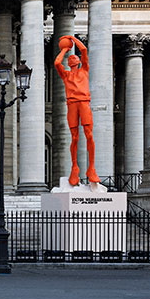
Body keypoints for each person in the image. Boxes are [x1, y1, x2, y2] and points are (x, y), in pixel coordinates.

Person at [54, 34, 97, 186]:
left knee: (89, 134)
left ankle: (91, 168)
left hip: (84, 103)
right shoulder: (65, 75)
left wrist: (72, 38)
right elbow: (57, 62)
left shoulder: (84, 70)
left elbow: (84, 49)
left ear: (79, 61)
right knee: (74, 137)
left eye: (75, 57)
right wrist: (65, 49)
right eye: (70, 58)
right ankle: (74, 167)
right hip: (72, 104)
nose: (73, 58)